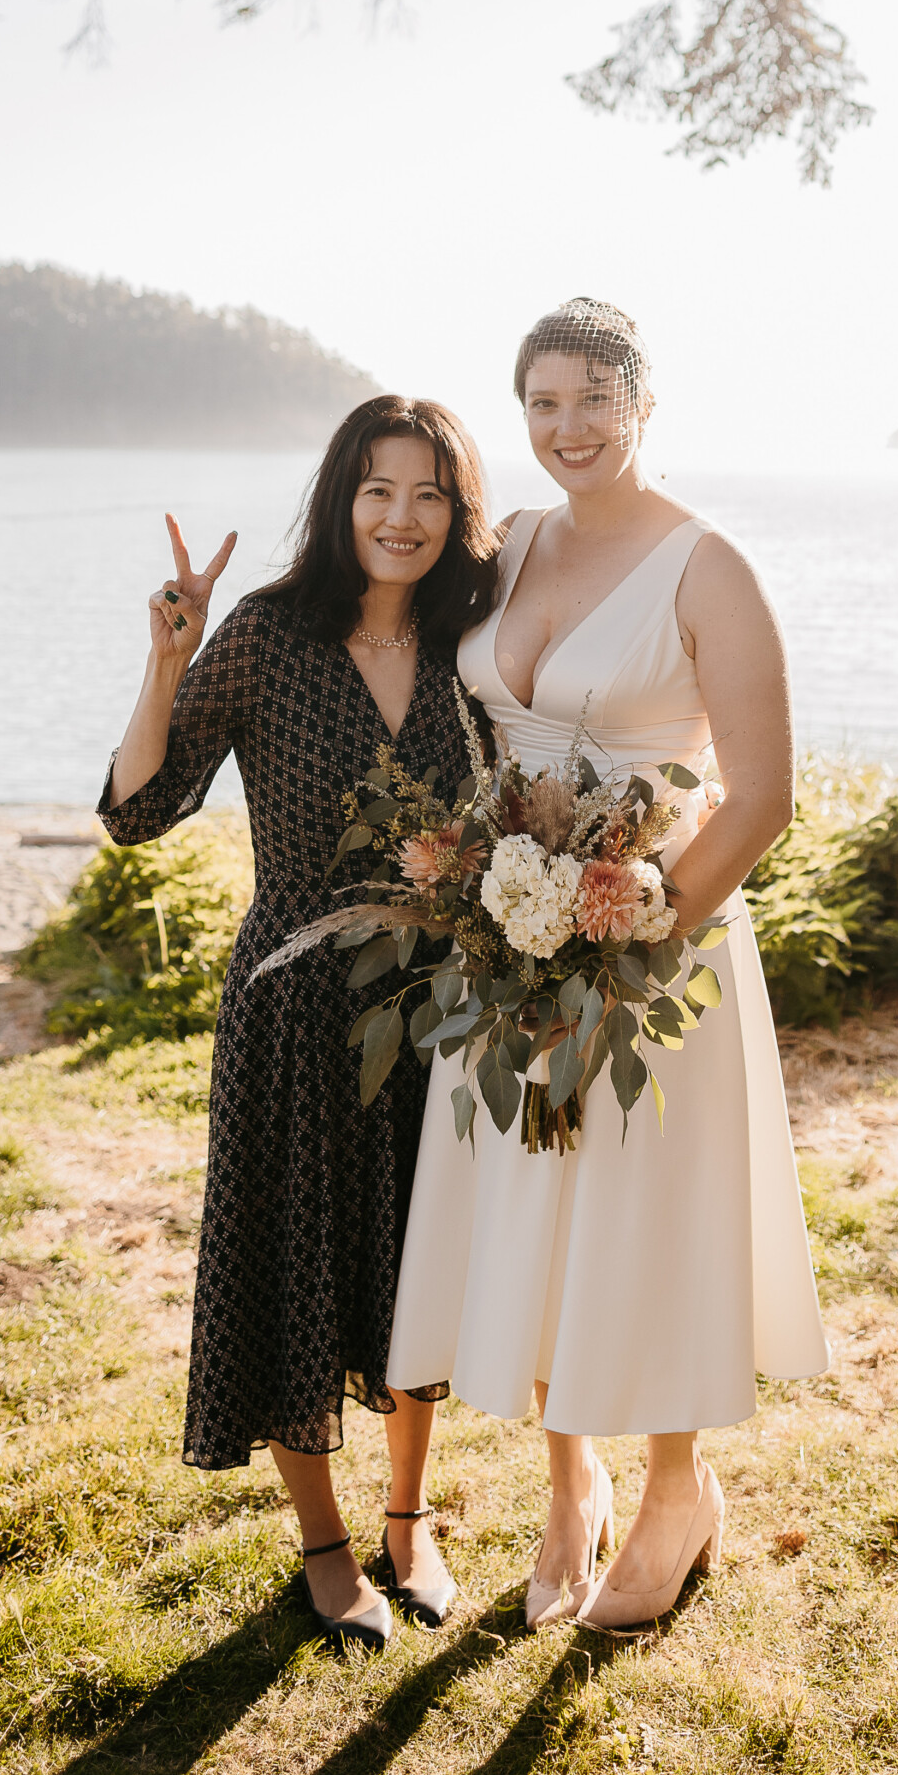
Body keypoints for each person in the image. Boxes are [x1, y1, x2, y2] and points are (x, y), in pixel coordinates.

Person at [386, 301, 829, 1634]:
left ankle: (676, 1494)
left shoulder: (708, 569)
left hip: (653, 952)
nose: (565, 428)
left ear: (643, 405)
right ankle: (565, 1486)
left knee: (645, 1221)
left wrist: (633, 929)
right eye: (540, 405)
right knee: (535, 1211)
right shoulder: (509, 544)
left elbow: (761, 798)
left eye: (591, 400)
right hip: (509, 936)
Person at [99, 395, 498, 1649]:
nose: (403, 516)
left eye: (431, 492)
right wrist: (169, 658)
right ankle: (324, 1543)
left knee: (413, 1260)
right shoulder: (267, 635)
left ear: (457, 512)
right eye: (379, 489)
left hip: (431, 1000)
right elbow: (138, 808)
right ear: (341, 500)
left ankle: (408, 1516)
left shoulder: (469, 644)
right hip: (291, 999)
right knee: (293, 1264)